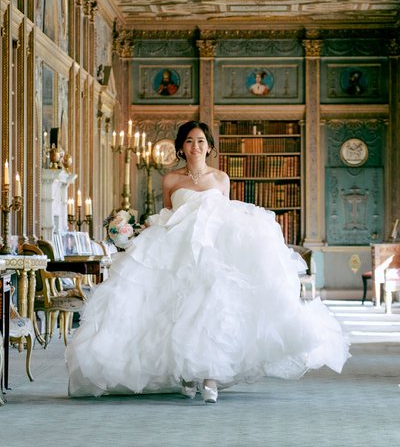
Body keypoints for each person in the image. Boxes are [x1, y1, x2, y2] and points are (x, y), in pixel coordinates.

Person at [66, 121, 350, 403]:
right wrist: (137, 232)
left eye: (201, 140)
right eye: (189, 141)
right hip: (176, 250)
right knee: (174, 308)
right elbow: (167, 216)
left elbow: (223, 216)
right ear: (181, 147)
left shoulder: (220, 178)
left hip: (212, 249)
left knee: (211, 308)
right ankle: (185, 373)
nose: (195, 146)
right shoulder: (171, 180)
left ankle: (210, 376)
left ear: (209, 146)